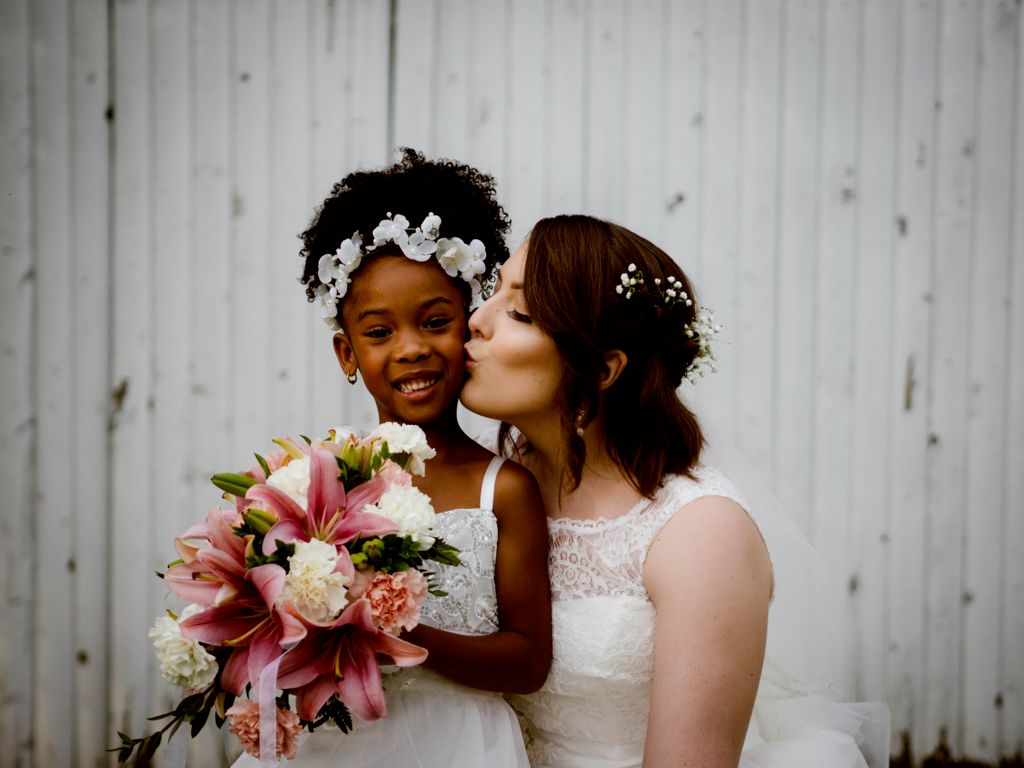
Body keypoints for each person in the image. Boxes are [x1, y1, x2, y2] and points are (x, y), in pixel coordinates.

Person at [460, 214, 890, 768]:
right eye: (493, 292)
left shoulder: (701, 531)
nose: (476, 320)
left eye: (518, 312)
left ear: (603, 369)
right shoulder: (498, 484)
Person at [233, 149, 551, 767]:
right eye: (379, 333)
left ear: (471, 328)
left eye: (435, 322)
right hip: (333, 745)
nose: (410, 349)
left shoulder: (504, 489)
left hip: (458, 745)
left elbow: (529, 661)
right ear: (346, 354)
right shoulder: (313, 481)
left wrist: (391, 634)